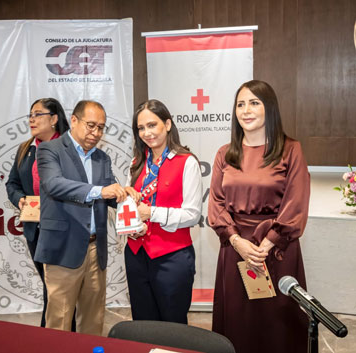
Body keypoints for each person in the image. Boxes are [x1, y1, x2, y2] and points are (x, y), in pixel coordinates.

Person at [208, 80, 310, 353]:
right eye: (240, 104)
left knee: (276, 323)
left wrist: (267, 244)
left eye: (254, 103)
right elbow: (216, 204)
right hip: (235, 249)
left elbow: (296, 201)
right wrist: (238, 242)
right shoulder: (224, 153)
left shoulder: (290, 149)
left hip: (276, 251)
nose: (246, 110)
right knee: (238, 321)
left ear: (270, 109)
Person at [34, 100, 137, 335]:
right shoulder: (50, 150)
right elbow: (54, 185)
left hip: (94, 249)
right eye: (91, 125)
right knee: (59, 322)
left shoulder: (102, 158)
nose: (96, 133)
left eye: (101, 127)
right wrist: (101, 191)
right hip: (63, 248)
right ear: (73, 120)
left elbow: (109, 193)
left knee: (93, 320)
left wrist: (124, 194)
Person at [125, 99, 202, 324]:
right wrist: (131, 223)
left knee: (172, 326)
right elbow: (130, 207)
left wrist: (151, 213)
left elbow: (192, 214)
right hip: (136, 255)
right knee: (143, 323)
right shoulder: (136, 163)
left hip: (172, 258)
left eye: (152, 125)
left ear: (167, 124)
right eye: (141, 128)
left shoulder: (187, 162)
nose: (147, 133)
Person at [5, 97, 70, 328]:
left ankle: (58, 335)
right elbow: (12, 184)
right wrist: (20, 199)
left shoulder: (69, 148)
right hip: (35, 230)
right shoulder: (26, 149)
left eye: (38, 114)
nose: (32, 119)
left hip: (64, 230)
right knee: (48, 285)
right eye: (30, 115)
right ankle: (52, 334)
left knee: (61, 289)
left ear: (53, 119)